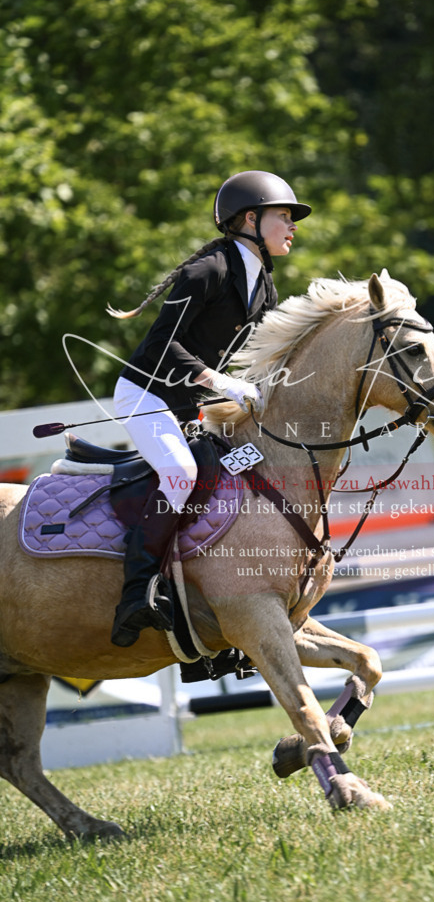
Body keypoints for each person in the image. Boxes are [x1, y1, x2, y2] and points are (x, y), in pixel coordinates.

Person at [107, 170, 311, 647]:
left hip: (193, 408)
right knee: (179, 475)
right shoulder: (209, 271)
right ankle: (136, 593)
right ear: (250, 219)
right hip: (147, 395)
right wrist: (217, 381)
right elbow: (161, 345)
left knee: (246, 467)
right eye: (284, 216)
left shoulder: (264, 287)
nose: (293, 226)